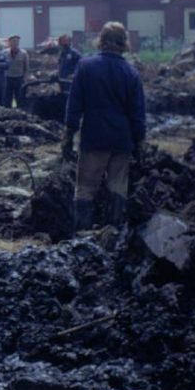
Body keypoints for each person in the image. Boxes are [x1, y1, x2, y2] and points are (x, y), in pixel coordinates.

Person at [62, 21, 147, 239]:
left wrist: (68, 136)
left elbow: (74, 105)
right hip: (122, 139)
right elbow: (138, 114)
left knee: (85, 188)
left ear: (101, 41)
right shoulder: (131, 72)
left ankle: (82, 237)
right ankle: (112, 235)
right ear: (123, 44)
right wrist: (140, 143)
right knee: (117, 187)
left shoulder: (85, 66)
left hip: (94, 137)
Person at [4, 34, 31, 109]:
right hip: (8, 78)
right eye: (13, 41)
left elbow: (27, 67)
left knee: (19, 96)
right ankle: (7, 111)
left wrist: (25, 78)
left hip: (19, 78)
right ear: (9, 42)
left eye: (17, 41)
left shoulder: (24, 53)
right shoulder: (4, 53)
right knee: (7, 97)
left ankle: (20, 111)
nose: (15, 43)